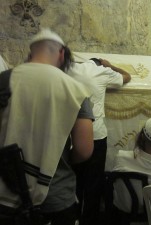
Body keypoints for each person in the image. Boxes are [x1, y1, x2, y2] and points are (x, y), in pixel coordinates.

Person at [0, 28, 94, 225]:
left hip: (6, 190)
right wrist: (65, 160)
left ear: (31, 53)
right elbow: (84, 150)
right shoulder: (75, 90)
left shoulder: (4, 79)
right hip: (56, 193)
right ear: (61, 53)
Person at [66, 57, 131, 225]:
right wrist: (110, 65)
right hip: (95, 134)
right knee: (93, 183)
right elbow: (127, 76)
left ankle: (72, 217)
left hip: (69, 134)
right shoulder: (101, 70)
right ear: (99, 63)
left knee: (73, 180)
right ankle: (89, 220)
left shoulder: (69, 67)